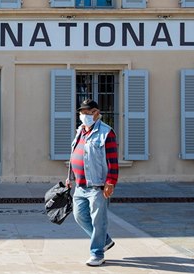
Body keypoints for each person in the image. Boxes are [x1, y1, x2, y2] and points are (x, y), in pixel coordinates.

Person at [65, 98, 119, 267]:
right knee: (79, 216)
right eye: (82, 113)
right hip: (81, 185)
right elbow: (75, 155)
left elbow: (112, 161)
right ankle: (105, 240)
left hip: (98, 185)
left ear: (97, 113)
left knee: (98, 221)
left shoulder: (106, 133)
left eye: (88, 113)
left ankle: (97, 253)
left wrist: (111, 182)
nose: (84, 116)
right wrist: (70, 177)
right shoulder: (80, 131)